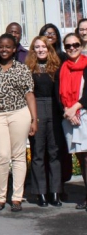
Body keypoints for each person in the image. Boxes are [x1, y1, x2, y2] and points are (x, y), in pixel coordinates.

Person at [0, 34, 37, 212]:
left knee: (19, 155)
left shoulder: (22, 69)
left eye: (8, 47)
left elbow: (29, 95)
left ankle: (17, 198)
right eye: (1, 46)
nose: (4, 49)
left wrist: (34, 119)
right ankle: (0, 197)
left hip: (19, 113)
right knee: (2, 156)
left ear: (14, 49)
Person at [25, 36, 62, 207]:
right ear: (33, 50)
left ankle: (55, 192)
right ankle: (41, 193)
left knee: (54, 153)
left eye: (44, 47)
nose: (40, 50)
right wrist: (32, 117)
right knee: (38, 153)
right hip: (36, 108)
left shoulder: (56, 67)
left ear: (49, 49)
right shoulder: (29, 69)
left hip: (54, 109)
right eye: (37, 47)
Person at [55, 33, 87, 212]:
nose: (72, 48)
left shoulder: (86, 64)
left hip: (84, 114)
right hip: (69, 118)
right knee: (81, 159)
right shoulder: (62, 68)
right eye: (68, 46)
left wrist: (74, 107)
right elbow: (57, 94)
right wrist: (67, 112)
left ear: (81, 45)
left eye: (75, 44)